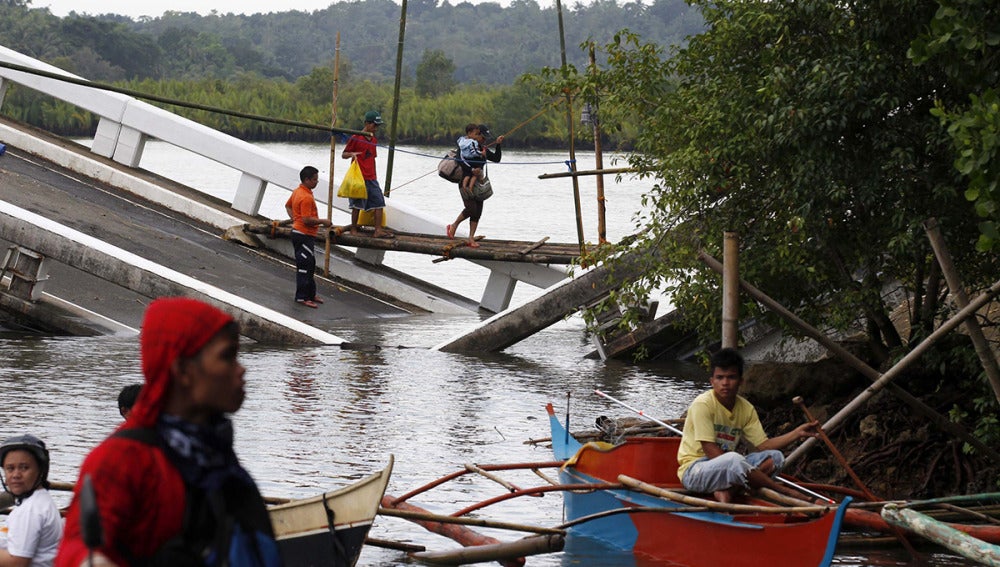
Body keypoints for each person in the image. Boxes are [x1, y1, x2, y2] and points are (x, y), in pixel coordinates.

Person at [56, 297, 281, 567]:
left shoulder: (214, 453)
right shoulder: (123, 459)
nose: (241, 369)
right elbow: (75, 546)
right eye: (227, 356)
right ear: (183, 370)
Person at [676, 348, 820, 503]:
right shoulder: (703, 404)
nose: (725, 383)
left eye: (731, 377)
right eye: (720, 378)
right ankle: (786, 491)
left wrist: (796, 433)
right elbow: (711, 452)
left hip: (728, 466)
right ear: (712, 381)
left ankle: (728, 491)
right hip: (695, 471)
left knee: (775, 457)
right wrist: (741, 467)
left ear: (741, 381)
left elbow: (764, 446)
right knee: (734, 460)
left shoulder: (746, 408)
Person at [0, 434, 63, 567]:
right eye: (10, 468)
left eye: (24, 468)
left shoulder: (31, 510)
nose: (16, 475)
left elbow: (17, 562)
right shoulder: (39, 501)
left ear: (40, 471)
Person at [447, 124, 503, 248]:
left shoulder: (483, 148)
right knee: (470, 208)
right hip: (465, 182)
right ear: (476, 135)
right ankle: (454, 225)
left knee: (477, 212)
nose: (484, 140)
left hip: (478, 183)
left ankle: (471, 238)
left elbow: (496, 158)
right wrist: (472, 170)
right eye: (482, 137)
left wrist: (498, 144)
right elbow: (460, 161)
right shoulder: (466, 146)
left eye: (486, 138)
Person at [285, 165, 332, 309]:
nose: (317, 182)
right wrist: (323, 221)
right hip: (303, 234)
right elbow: (306, 219)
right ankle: (301, 297)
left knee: (310, 265)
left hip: (302, 232)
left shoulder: (298, 191)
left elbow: (288, 206)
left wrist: (294, 219)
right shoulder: (305, 197)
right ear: (307, 180)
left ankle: (311, 294)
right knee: (304, 267)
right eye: (315, 180)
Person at [342, 110, 393, 239]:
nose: (376, 128)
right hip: (359, 177)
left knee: (379, 202)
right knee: (356, 205)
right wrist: (352, 155)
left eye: (377, 126)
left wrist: (375, 175)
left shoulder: (374, 140)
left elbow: (373, 159)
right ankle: (353, 228)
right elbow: (344, 154)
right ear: (366, 123)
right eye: (374, 125)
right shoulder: (356, 138)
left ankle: (378, 230)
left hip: (371, 177)